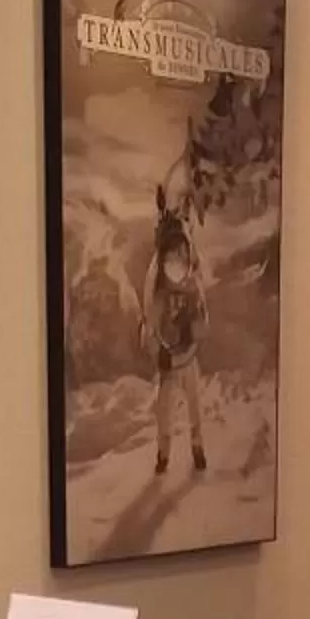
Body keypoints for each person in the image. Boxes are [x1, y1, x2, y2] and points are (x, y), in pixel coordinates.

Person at [143, 190, 209, 477]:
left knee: (196, 407)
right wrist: (159, 351)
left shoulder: (193, 287)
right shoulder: (158, 293)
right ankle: (163, 454)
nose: (176, 260)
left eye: (180, 254)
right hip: (171, 363)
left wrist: (192, 329)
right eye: (171, 255)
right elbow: (152, 326)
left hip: (189, 358)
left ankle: (197, 448)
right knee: (164, 414)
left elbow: (203, 320)